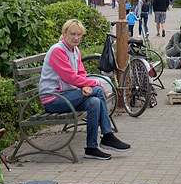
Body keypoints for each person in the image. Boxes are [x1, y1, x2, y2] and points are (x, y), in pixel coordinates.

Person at [39, 19, 131, 160]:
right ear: (64, 34)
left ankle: (91, 148)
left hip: (68, 95)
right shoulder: (57, 51)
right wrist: (95, 84)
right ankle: (107, 135)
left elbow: (81, 74)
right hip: (54, 99)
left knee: (94, 102)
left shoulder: (75, 50)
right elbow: (71, 78)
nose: (76, 38)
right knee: (99, 90)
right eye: (72, 34)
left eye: (79, 35)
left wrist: (86, 85)